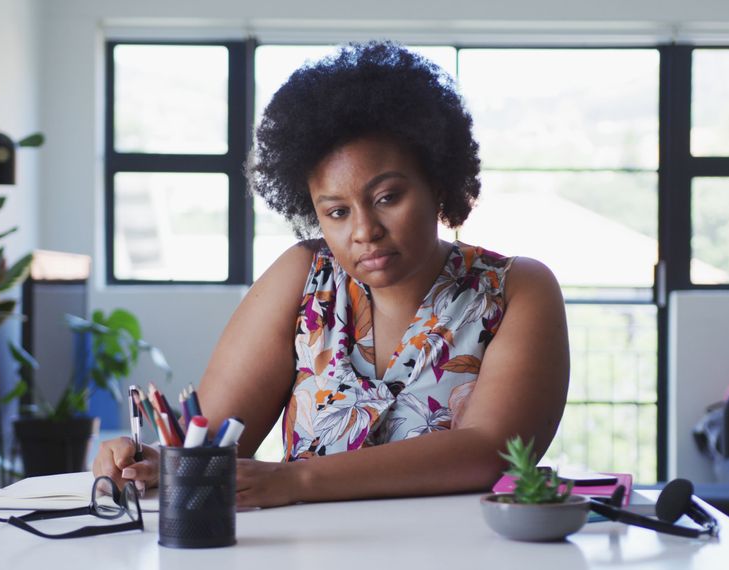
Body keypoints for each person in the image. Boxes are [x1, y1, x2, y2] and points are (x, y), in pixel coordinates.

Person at [93, 41, 570, 508]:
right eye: (337, 212)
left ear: (438, 183)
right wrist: (155, 461)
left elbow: (490, 451)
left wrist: (296, 480)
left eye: (387, 198)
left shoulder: (515, 289)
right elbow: (210, 447)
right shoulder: (303, 277)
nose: (365, 231)